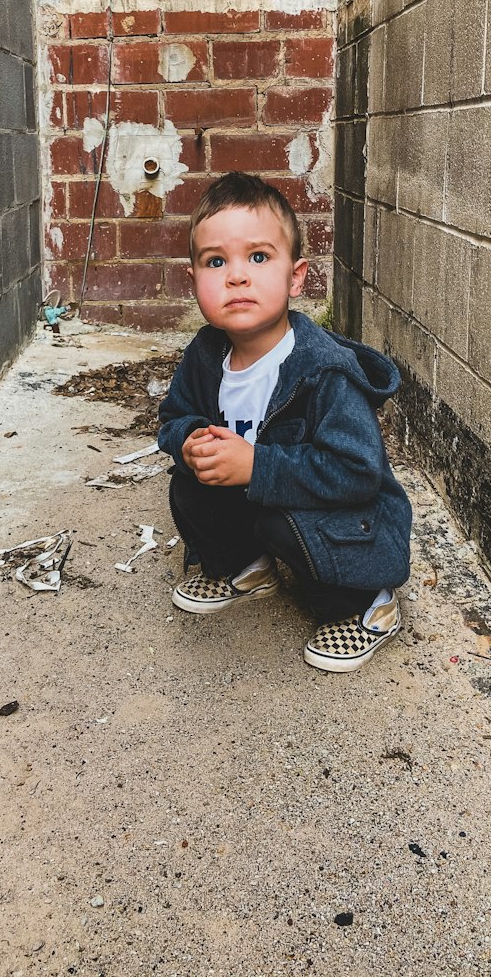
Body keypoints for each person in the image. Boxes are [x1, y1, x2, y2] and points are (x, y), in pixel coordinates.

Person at [157, 171, 412, 672]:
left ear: (296, 277)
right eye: (216, 261)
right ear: (194, 281)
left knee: (283, 521)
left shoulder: (323, 371)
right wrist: (187, 441)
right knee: (189, 485)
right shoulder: (207, 355)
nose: (236, 276)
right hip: (263, 492)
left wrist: (256, 466)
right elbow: (174, 416)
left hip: (346, 518)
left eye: (258, 257)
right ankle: (246, 568)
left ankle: (367, 605)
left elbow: (356, 472)